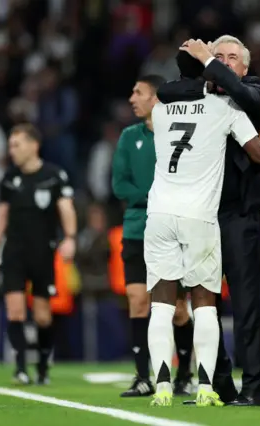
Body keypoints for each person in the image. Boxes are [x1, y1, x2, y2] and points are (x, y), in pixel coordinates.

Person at [145, 50, 260, 407]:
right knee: (204, 305)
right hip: (199, 215)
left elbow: (168, 96)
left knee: (162, 305)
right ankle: (204, 387)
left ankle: (163, 386)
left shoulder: (160, 109)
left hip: (160, 212)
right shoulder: (223, 107)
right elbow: (258, 154)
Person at [111, 75, 194, 397]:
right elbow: (120, 185)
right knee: (138, 301)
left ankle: (184, 374)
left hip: (174, 230)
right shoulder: (129, 136)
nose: (132, 98)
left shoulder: (178, 135)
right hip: (136, 228)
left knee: (177, 308)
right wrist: (159, 195)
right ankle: (143, 377)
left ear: (156, 98)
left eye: (138, 92)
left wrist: (154, 198)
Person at [0, 123, 77, 385]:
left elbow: (66, 208)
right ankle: (21, 367)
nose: (11, 150)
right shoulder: (9, 178)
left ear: (33, 145)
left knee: (42, 316)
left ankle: (43, 368)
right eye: (10, 145)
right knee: (15, 311)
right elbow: (1, 214)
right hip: (14, 251)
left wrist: (69, 238)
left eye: (17, 144)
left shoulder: (54, 175)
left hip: (43, 252)